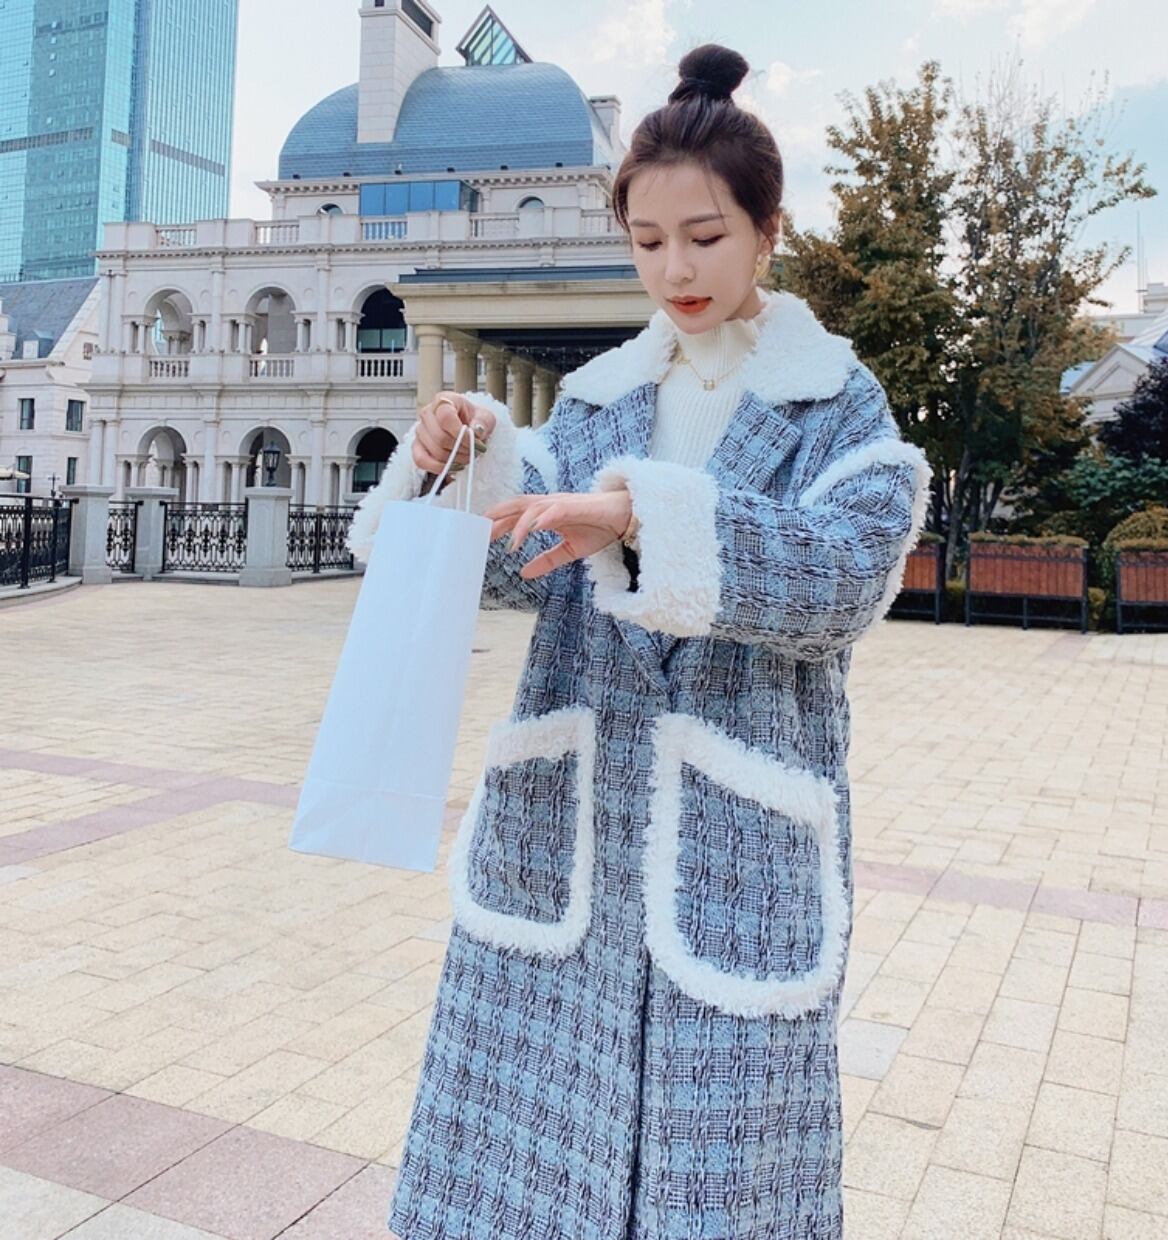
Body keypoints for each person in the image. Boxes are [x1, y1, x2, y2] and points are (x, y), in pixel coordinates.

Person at [347, 41, 931, 1240]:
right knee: (533, 1160)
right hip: (570, 829)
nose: (675, 268)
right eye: (647, 239)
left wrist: (642, 519)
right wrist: (464, 456)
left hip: (739, 837)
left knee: (726, 1181)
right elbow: (513, 564)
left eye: (705, 236)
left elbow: (842, 575)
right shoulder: (601, 398)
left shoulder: (836, 400)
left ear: (768, 231)